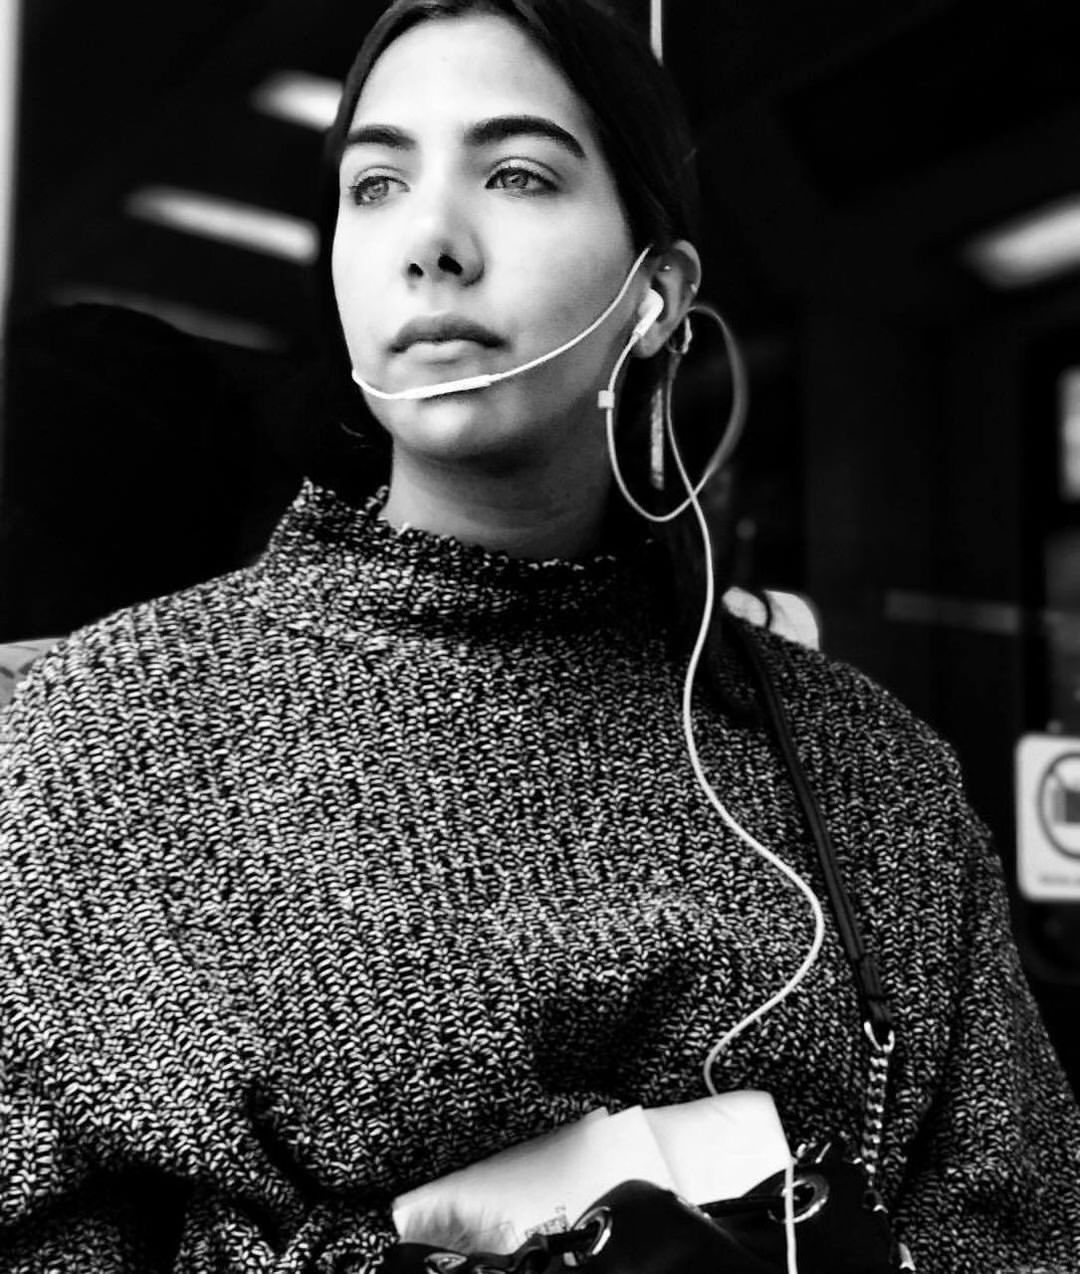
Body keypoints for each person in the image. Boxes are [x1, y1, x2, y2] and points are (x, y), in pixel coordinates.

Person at [1, 1, 1078, 1271]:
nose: (434, 243)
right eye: (376, 184)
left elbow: (1018, 1222)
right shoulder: (96, 740)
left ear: (659, 295)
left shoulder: (869, 780)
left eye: (515, 174)